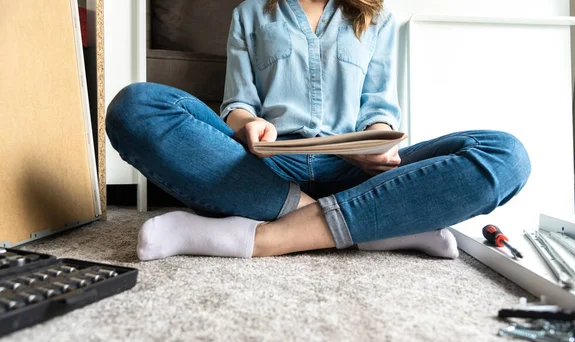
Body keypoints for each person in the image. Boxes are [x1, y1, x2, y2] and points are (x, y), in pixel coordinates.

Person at [105, 0, 531, 261]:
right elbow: (237, 104)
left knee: (505, 155)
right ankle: (377, 227)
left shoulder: (377, 19)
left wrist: (375, 143)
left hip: (357, 174)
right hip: (266, 171)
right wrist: (250, 124)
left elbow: (379, 108)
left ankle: (262, 237)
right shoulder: (251, 12)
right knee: (135, 107)